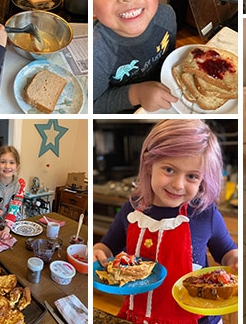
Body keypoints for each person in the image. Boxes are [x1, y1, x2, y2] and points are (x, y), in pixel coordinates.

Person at [93, 119, 238, 324]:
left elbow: (227, 252)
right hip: (140, 317)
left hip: (199, 319)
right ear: (149, 164)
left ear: (203, 178)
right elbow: (106, 247)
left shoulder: (205, 214)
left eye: (192, 176)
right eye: (169, 170)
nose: (178, 185)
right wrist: (97, 252)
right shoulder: (132, 209)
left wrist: (235, 260)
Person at [92, 0, 177, 113]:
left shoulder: (167, 17)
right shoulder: (97, 51)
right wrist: (137, 94)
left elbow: (170, 62)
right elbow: (93, 105)